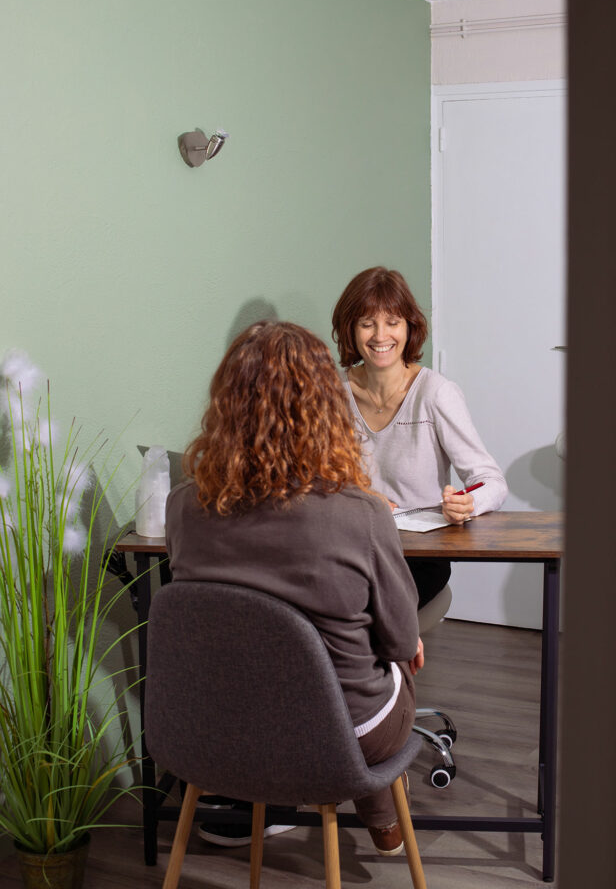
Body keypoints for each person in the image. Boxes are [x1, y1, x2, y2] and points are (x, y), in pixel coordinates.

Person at [165, 321, 423, 856]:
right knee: (400, 655)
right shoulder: (362, 514)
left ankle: (354, 809)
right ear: (325, 407)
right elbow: (399, 644)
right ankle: (380, 815)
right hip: (340, 738)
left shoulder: (183, 505)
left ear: (226, 405)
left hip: (217, 727)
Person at [332, 266, 508, 609]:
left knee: (360, 610)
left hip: (417, 556)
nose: (380, 335)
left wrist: (468, 503)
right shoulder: (331, 394)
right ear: (350, 330)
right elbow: (314, 479)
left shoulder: (437, 393)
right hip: (353, 548)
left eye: (392, 322)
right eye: (367, 323)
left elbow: (492, 482)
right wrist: (359, 499)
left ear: (409, 327)